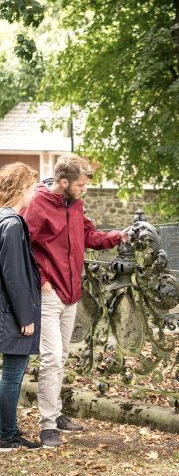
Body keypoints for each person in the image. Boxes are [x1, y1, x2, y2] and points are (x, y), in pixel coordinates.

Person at [22, 155, 129, 448]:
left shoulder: (76, 204)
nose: (84, 189)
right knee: (52, 359)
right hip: (48, 294)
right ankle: (46, 427)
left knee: (63, 357)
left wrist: (120, 235)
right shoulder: (38, 204)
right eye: (81, 184)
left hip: (72, 294)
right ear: (64, 182)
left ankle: (56, 415)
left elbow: (89, 237)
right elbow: (21, 246)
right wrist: (41, 281)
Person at [0, 163, 41, 451]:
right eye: (32, 187)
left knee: (10, 374)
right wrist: (25, 316)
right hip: (12, 313)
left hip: (5, 310)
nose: (34, 193)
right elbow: (13, 274)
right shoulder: (12, 223)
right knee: (13, 375)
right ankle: (6, 434)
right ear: (21, 188)